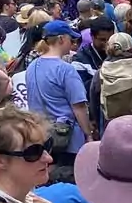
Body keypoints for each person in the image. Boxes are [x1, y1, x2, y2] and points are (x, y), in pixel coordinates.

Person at [26, 20, 92, 182]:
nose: (73, 43)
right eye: (71, 39)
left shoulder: (32, 66)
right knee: (71, 183)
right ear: (62, 39)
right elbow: (79, 107)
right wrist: (88, 134)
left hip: (42, 136)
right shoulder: (65, 69)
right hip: (68, 139)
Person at [71, 16, 114, 88]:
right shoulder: (80, 59)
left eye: (110, 39)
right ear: (92, 36)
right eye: (102, 40)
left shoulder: (118, 53)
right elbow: (82, 88)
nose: (107, 43)